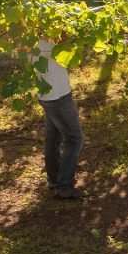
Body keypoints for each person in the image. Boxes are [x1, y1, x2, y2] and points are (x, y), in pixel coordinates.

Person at [33, 38, 84, 199]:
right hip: (58, 96)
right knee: (74, 139)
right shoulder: (52, 34)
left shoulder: (28, 37)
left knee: (53, 138)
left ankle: (54, 180)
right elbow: (70, 50)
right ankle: (63, 186)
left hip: (46, 94)